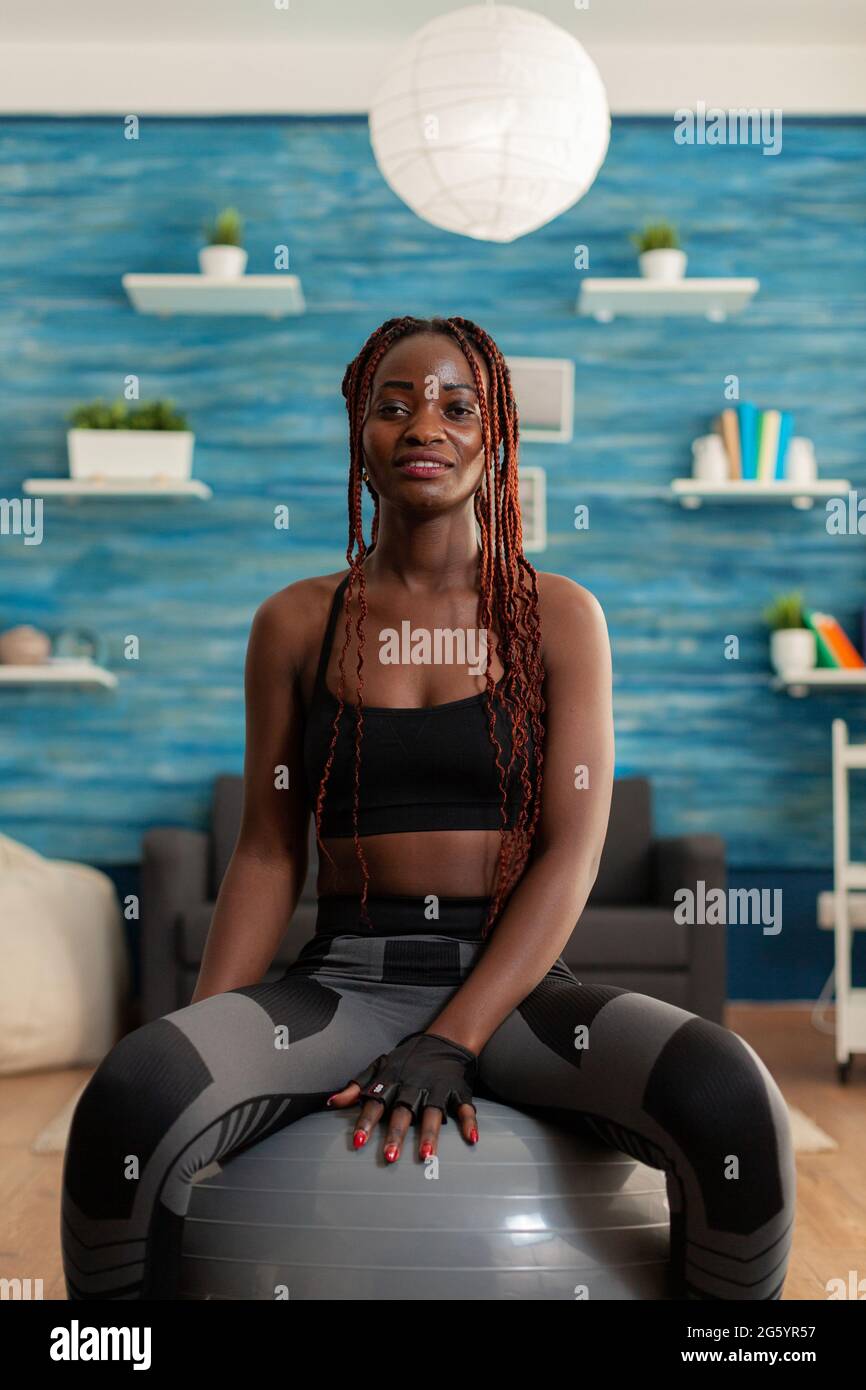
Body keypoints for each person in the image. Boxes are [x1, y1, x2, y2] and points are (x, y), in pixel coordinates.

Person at [61, 315, 795, 1300]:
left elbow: (571, 851)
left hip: (521, 992)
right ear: (358, 438)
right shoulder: (293, 621)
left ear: (494, 442)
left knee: (728, 1092)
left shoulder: (560, 618)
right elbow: (270, 851)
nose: (424, 426)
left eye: (458, 406)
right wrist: (202, 1049)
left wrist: (454, 1035)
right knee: (136, 1089)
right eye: (392, 406)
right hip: (346, 983)